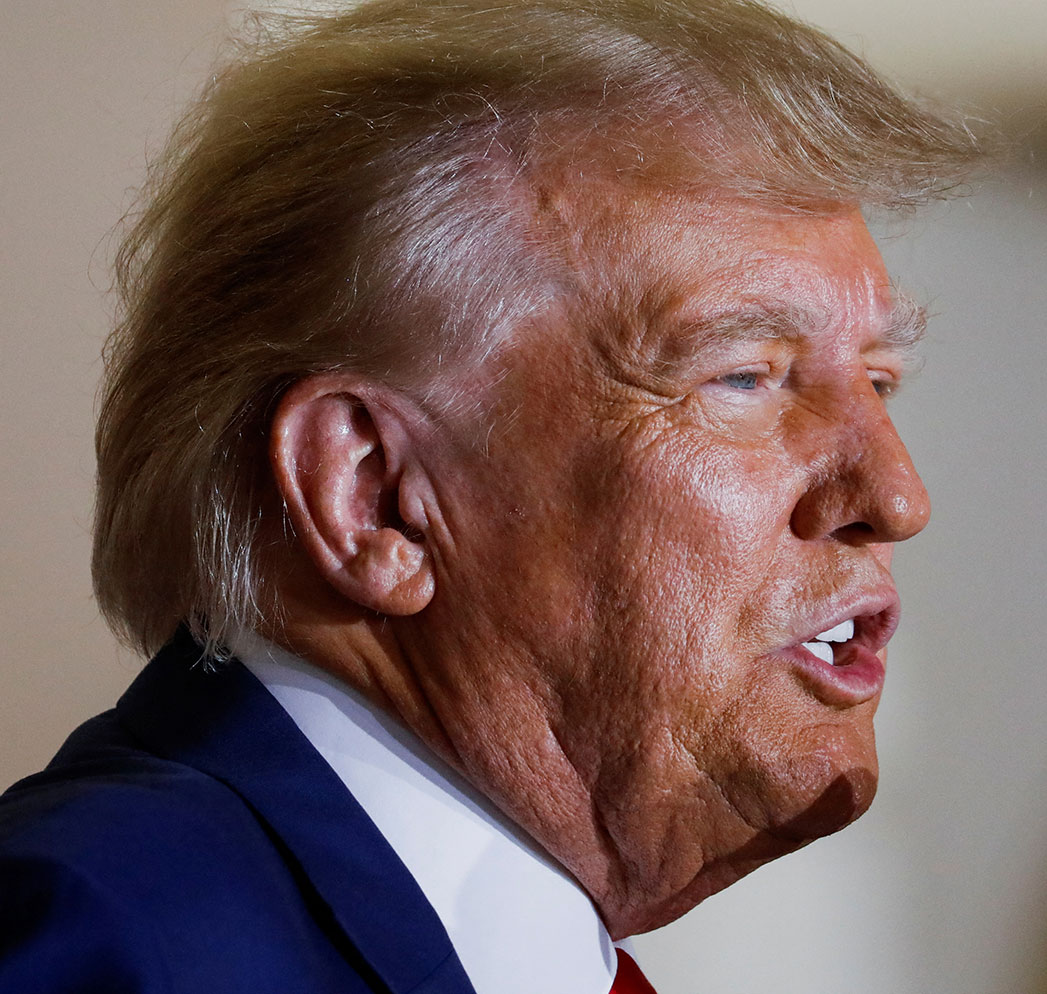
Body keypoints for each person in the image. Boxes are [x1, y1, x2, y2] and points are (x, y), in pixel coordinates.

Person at [0, 0, 982, 991]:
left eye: (879, 380)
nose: (896, 495)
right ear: (375, 497)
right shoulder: (107, 937)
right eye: (745, 375)